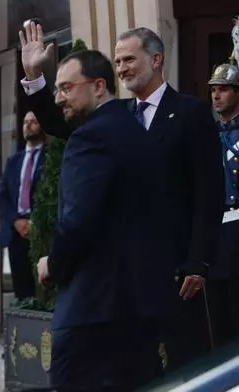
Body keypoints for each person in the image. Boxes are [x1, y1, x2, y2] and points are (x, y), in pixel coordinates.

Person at [19, 22, 225, 370]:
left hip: (176, 267)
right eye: (116, 62)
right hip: (126, 275)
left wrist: (198, 260)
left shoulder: (190, 113)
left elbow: (209, 192)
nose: (122, 68)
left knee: (184, 364)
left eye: (129, 59)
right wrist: (35, 77)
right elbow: (61, 122)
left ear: (156, 59)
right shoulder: (116, 115)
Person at [35, 50, 175, 391]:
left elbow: (78, 222)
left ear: (99, 86)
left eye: (66, 88)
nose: (59, 98)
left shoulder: (90, 138)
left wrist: (52, 265)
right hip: (139, 309)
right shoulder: (138, 133)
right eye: (57, 89)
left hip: (93, 310)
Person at [206, 60, 239, 346]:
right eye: (214, 89)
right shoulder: (205, 135)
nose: (216, 95)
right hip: (213, 244)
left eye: (224, 89)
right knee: (219, 329)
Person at [0, 111, 45, 301]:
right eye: (26, 122)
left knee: (41, 288)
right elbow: (3, 196)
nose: (28, 125)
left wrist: (34, 222)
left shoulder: (50, 158)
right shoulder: (13, 161)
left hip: (39, 230)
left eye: (33, 121)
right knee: (21, 288)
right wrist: (16, 221)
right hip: (15, 232)